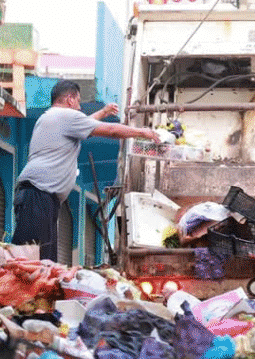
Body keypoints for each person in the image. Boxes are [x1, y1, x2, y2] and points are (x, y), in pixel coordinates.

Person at [11, 80, 161, 261]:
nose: (80, 107)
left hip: (36, 194)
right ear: (70, 99)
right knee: (33, 259)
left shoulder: (51, 117)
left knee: (41, 259)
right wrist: (143, 133)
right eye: (78, 101)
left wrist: (103, 112)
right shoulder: (66, 116)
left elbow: (85, 123)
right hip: (38, 195)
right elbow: (111, 130)